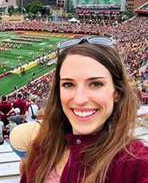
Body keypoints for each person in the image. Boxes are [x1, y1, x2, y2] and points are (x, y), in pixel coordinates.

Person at [21, 36, 148, 183]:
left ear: (117, 92)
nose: (80, 99)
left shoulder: (136, 163)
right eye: (68, 84)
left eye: (95, 84)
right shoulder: (40, 150)